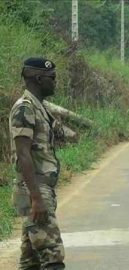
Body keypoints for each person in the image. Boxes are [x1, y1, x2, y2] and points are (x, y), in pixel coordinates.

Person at [9, 57, 65, 270]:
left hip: (40, 189)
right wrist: (36, 198)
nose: (55, 82)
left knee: (30, 262)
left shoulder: (38, 106)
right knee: (53, 257)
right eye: (52, 78)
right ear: (38, 78)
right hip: (34, 189)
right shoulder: (25, 108)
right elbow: (23, 154)